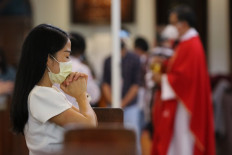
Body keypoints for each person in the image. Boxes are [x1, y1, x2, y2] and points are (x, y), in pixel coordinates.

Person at [10, 24, 97, 155]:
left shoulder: (49, 91)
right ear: (49, 60)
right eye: (67, 56)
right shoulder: (42, 94)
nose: (70, 63)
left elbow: (87, 119)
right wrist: (80, 96)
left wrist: (80, 95)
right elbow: (89, 128)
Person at [152, 5, 215, 155]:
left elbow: (186, 78)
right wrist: (164, 64)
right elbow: (179, 68)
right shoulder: (185, 42)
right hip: (181, 101)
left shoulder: (192, 45)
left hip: (186, 104)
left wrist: (162, 78)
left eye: (173, 23)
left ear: (184, 24)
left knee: (183, 140)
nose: (171, 27)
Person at [102, 40, 141, 154]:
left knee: (132, 135)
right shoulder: (108, 60)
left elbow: (136, 85)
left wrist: (122, 103)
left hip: (130, 105)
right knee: (112, 137)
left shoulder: (135, 59)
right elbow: (105, 84)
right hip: (112, 105)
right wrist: (114, 103)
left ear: (124, 49)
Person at [69, 32, 100, 106]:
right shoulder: (82, 68)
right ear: (83, 50)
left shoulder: (56, 66)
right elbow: (94, 96)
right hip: (78, 111)